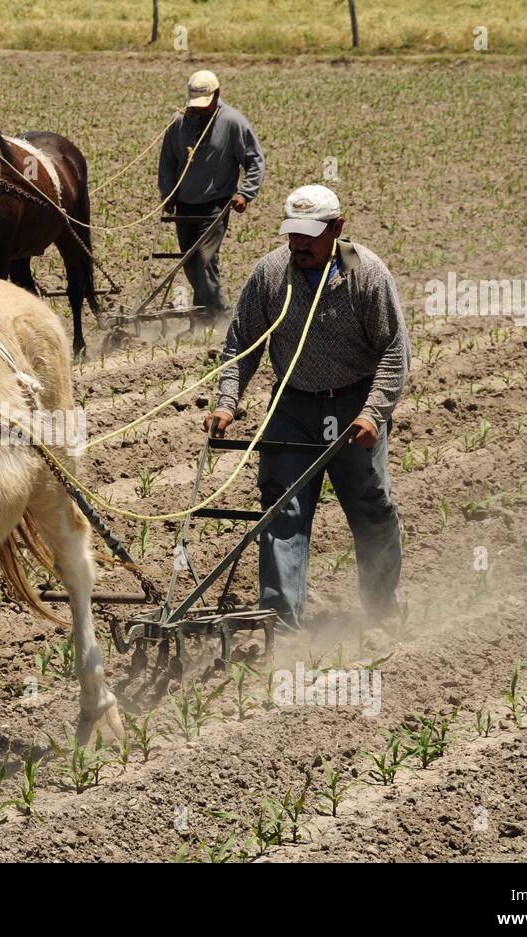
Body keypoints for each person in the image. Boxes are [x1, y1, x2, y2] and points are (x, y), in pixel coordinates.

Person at [203, 184, 408, 631]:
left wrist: (374, 413)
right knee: (281, 508)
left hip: (353, 406)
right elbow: (242, 341)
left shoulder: (367, 275)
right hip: (293, 404)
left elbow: (394, 352)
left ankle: (382, 612)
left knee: (370, 507)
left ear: (337, 228)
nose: (298, 244)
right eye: (292, 233)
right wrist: (226, 401)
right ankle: (281, 623)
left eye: (309, 235)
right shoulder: (271, 274)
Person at [157, 70, 264, 323]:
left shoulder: (232, 122)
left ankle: (209, 318)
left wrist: (245, 194)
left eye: (206, 105)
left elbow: (254, 160)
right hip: (184, 205)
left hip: (215, 205)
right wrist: (168, 192)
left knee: (205, 260)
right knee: (190, 262)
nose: (201, 110)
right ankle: (218, 312)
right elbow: (168, 161)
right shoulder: (178, 123)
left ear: (217, 95)